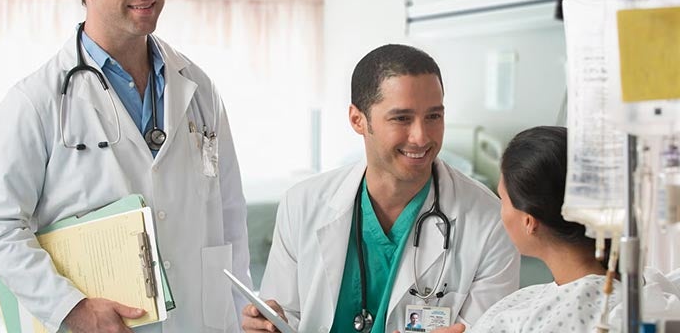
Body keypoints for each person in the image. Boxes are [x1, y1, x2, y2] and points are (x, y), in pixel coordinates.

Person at [0, 0, 251, 332]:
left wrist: (242, 313)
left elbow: (230, 216)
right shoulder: (36, 101)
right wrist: (73, 309)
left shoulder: (198, 87)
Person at [242, 44, 520, 332]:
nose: (421, 137)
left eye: (434, 116)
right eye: (401, 118)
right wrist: (270, 325)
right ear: (358, 120)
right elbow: (285, 314)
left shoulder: (489, 222)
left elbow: (488, 328)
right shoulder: (301, 204)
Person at [435, 126, 618, 333]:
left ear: (529, 222)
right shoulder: (630, 298)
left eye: (502, 199)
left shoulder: (522, 317)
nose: (500, 211)